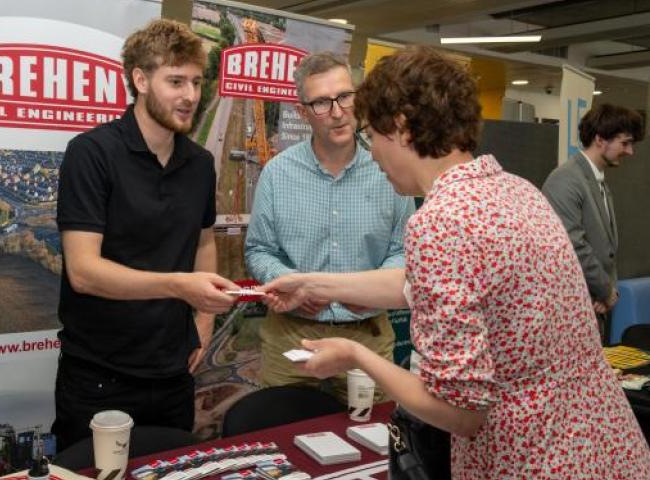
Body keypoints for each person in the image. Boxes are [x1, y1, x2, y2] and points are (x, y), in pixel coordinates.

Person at [261, 46, 650, 479]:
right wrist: (315, 285)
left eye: (372, 133)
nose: (370, 152)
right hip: (604, 446)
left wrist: (356, 355)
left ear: (402, 128)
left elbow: (460, 413)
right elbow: (425, 284)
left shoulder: (441, 222)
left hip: (530, 459)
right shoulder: (518, 190)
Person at [52, 19, 238, 451]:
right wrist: (178, 286)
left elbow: (204, 240)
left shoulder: (198, 164)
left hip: (175, 375)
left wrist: (205, 321)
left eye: (195, 81)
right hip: (99, 377)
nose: (191, 96)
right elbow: (84, 272)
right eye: (175, 81)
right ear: (140, 79)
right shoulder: (92, 154)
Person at [244, 52, 414, 401]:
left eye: (345, 97)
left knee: (371, 443)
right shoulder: (278, 174)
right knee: (281, 437)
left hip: (367, 338)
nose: (337, 112)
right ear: (302, 112)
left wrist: (367, 291)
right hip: (292, 340)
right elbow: (259, 250)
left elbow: (404, 251)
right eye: (321, 102)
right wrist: (296, 288)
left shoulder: (389, 169)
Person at [543, 104, 644, 342]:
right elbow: (574, 246)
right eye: (625, 143)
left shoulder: (597, 181)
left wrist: (608, 292)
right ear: (600, 139)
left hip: (594, 306)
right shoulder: (566, 180)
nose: (629, 151)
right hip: (571, 311)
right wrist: (606, 291)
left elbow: (606, 252)